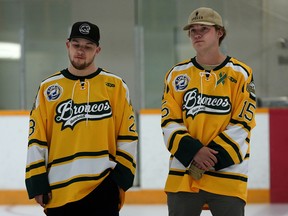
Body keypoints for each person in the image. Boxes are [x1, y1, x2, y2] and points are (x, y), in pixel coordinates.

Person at [25, 21, 138, 216]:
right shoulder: (47, 88)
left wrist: (120, 180)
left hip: (103, 188)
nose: (81, 51)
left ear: (98, 50)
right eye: (76, 45)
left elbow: (127, 135)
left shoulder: (116, 86)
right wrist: (37, 181)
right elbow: (37, 138)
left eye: (88, 47)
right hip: (58, 189)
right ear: (67, 45)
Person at [161, 7, 256, 216]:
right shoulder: (176, 75)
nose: (196, 34)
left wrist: (207, 160)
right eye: (192, 30)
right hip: (183, 177)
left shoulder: (241, 74)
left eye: (203, 29)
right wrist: (193, 151)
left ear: (219, 32)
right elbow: (169, 122)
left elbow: (243, 123)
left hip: (228, 178)